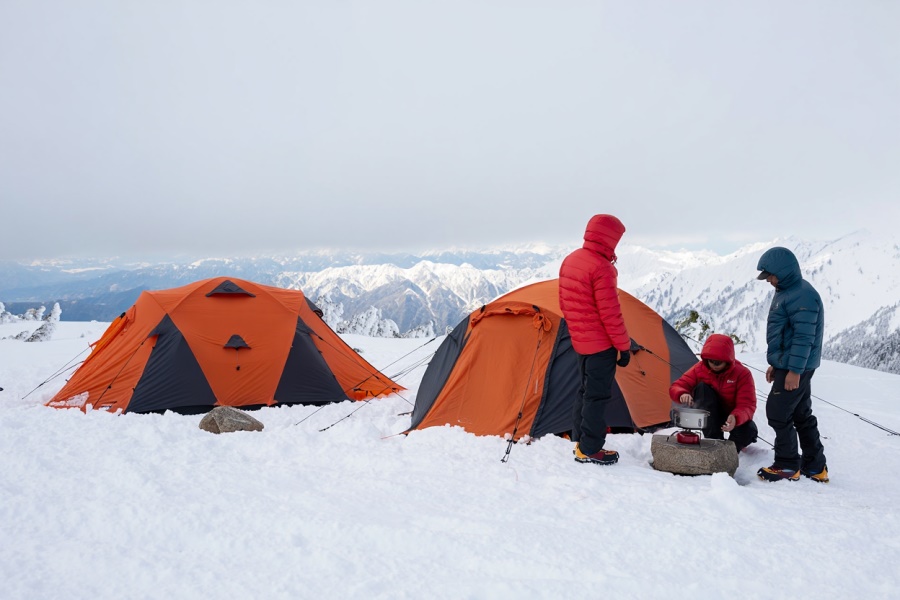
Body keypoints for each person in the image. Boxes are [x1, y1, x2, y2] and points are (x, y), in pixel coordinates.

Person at [558, 214, 633, 465]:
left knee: (585, 390)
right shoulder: (602, 267)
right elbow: (611, 314)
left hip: (581, 341)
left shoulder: (572, 260)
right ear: (610, 238)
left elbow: (566, 304)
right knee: (597, 396)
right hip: (601, 345)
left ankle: (580, 439)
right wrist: (624, 347)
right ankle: (590, 449)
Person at [756, 246, 829, 483]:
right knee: (801, 414)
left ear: (782, 271)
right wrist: (777, 365)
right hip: (790, 365)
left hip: (796, 368)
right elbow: (786, 335)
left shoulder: (802, 295)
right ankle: (815, 467)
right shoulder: (788, 290)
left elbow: (803, 338)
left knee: (777, 413)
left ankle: (787, 465)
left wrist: (793, 371)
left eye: (770, 275)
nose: (769, 281)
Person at [669, 333, 758, 452]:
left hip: (731, 416)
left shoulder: (742, 374)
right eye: (711, 361)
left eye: (718, 362)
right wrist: (682, 394)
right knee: (703, 388)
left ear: (727, 360)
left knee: (749, 430)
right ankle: (714, 442)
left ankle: (730, 451)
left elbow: (747, 405)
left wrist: (736, 417)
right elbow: (678, 386)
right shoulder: (700, 368)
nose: (714, 365)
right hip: (710, 415)